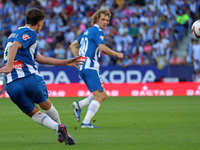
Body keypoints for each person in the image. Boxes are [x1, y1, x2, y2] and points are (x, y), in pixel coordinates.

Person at [0, 8, 83, 145]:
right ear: (39, 23)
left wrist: (65, 62)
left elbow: (39, 58)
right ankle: (60, 127)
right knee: (46, 104)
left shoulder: (13, 35)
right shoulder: (30, 33)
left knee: (33, 112)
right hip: (30, 78)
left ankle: (58, 129)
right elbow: (15, 47)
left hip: (12, 85)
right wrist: (9, 66)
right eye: (43, 23)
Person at [69, 9, 123, 128]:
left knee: (103, 94)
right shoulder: (98, 31)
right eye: (103, 19)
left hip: (84, 67)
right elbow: (102, 48)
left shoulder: (87, 32)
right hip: (91, 67)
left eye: (107, 20)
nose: (105, 22)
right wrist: (116, 54)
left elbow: (72, 45)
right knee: (99, 96)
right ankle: (86, 123)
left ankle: (79, 104)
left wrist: (79, 59)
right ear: (96, 19)